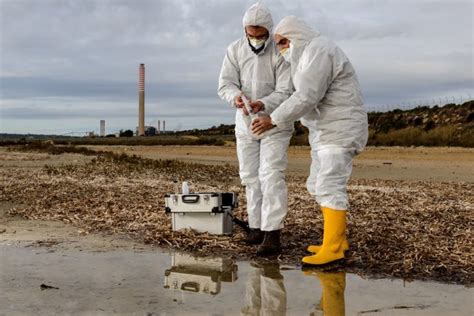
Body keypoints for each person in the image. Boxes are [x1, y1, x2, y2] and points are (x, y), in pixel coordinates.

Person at [252, 16, 368, 265]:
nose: (281, 48)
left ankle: (334, 248)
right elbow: (301, 95)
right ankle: (336, 239)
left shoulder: (318, 50)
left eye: (284, 42)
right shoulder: (306, 56)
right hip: (325, 131)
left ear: (296, 35)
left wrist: (273, 119)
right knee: (317, 184)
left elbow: (307, 96)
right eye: (279, 44)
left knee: (329, 186)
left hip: (339, 130)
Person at [218, 2, 294, 256]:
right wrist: (236, 98)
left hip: (275, 122)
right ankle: (257, 227)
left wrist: (264, 104)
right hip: (245, 122)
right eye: (251, 34)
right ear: (245, 31)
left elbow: (286, 89)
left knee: (271, 174)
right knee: (250, 176)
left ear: (269, 31)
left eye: (261, 35)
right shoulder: (235, 50)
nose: (256, 39)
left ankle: (273, 234)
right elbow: (226, 84)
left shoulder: (280, 51)